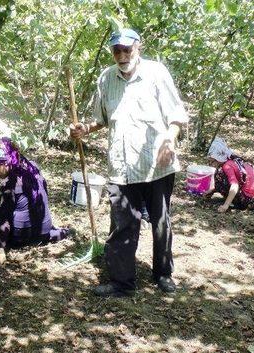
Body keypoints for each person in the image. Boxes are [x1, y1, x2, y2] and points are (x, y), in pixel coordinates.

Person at [70, 28, 189, 295]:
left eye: (127, 49)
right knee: (122, 223)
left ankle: (163, 274)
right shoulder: (106, 79)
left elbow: (176, 114)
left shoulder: (156, 73)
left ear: (138, 48)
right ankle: (122, 282)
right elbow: (100, 119)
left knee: (161, 221)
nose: (122, 55)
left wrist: (170, 139)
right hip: (121, 167)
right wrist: (83, 130)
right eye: (117, 50)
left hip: (156, 164)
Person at [0, 137, 69, 266]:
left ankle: (19, 239)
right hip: (44, 230)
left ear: (5, 164)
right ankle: (58, 233)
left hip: (20, 236)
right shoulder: (33, 167)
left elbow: (5, 218)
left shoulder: (10, 184)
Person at [205, 137, 254, 212]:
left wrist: (225, 206)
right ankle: (234, 200)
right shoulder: (233, 161)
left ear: (218, 159)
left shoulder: (227, 166)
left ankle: (231, 202)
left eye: (212, 161)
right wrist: (212, 191)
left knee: (219, 175)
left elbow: (234, 185)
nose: (210, 164)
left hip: (248, 200)